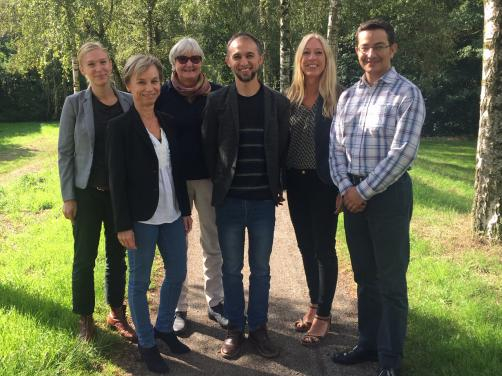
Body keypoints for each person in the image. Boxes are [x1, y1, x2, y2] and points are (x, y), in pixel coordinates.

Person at [329, 19, 425, 376]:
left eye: (378, 46)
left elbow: (402, 154)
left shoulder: (407, 94)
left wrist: (361, 192)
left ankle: (389, 360)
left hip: (387, 197)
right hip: (352, 194)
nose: (371, 54)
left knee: (391, 281)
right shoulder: (349, 96)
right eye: (364, 47)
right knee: (365, 278)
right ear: (357, 51)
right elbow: (335, 148)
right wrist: (345, 188)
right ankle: (367, 344)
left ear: (392, 49)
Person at [202, 32, 289, 359]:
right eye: (237, 56)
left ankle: (260, 328)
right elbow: (208, 147)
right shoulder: (217, 101)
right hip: (230, 203)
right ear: (228, 61)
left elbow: (282, 147)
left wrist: (275, 185)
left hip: (263, 202)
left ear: (261, 59)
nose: (244, 61)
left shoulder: (277, 103)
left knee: (261, 269)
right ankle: (235, 330)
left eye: (250, 55)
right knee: (231, 270)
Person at [107, 54, 192, 374]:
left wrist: (185, 209)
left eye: (154, 81)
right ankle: (146, 342)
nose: (149, 87)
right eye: (141, 82)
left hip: (171, 215)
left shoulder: (168, 121)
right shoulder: (119, 128)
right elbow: (117, 180)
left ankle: (165, 328)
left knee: (177, 272)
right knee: (139, 282)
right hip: (140, 220)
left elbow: (177, 171)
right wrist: (123, 225)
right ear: (129, 85)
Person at [58, 41, 136, 342]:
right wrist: (68, 196)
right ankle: (85, 319)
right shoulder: (74, 104)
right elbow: (65, 153)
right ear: (83, 69)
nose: (99, 68)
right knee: (84, 258)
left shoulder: (128, 102)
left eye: (103, 62)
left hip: (120, 196)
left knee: (118, 257)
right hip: (87, 194)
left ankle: (117, 313)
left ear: (110, 64)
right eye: (92, 64)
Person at [155, 37, 227, 334]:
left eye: (195, 59)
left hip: (209, 180)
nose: (189, 64)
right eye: (182, 59)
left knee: (213, 243)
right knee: (176, 248)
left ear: (202, 62)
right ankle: (178, 306)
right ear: (173, 62)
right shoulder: (160, 95)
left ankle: (217, 302)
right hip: (173, 182)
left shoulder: (219, 95)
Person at [285, 33, 342, 346]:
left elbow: (344, 148)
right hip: (296, 182)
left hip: (324, 184)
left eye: (318, 52)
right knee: (306, 246)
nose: (312, 58)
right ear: (299, 58)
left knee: (324, 248)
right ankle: (313, 303)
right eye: (306, 52)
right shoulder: (290, 97)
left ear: (326, 58)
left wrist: (341, 186)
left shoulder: (337, 98)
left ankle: (324, 316)